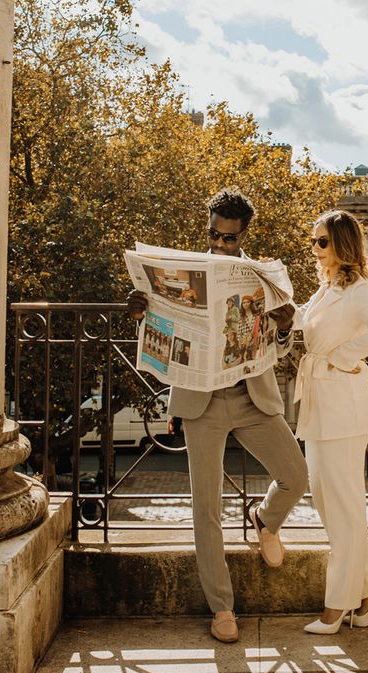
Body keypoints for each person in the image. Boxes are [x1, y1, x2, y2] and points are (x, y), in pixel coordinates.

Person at [127, 188, 307, 644]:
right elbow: (162, 338)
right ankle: (222, 608)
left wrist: (284, 326)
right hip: (200, 405)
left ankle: (265, 520)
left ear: (243, 234)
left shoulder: (261, 278)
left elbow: (281, 347)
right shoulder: (189, 272)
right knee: (206, 509)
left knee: (296, 475)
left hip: (253, 399)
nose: (220, 244)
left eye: (229, 238)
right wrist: (142, 314)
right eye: (213, 235)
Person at [294, 209, 368, 635]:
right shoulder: (323, 291)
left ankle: (337, 607)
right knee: (328, 504)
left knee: (343, 510)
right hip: (319, 406)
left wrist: (343, 356)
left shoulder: (358, 290)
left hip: (343, 409)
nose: (315, 250)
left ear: (341, 244)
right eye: (314, 242)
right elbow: (303, 323)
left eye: (322, 242)